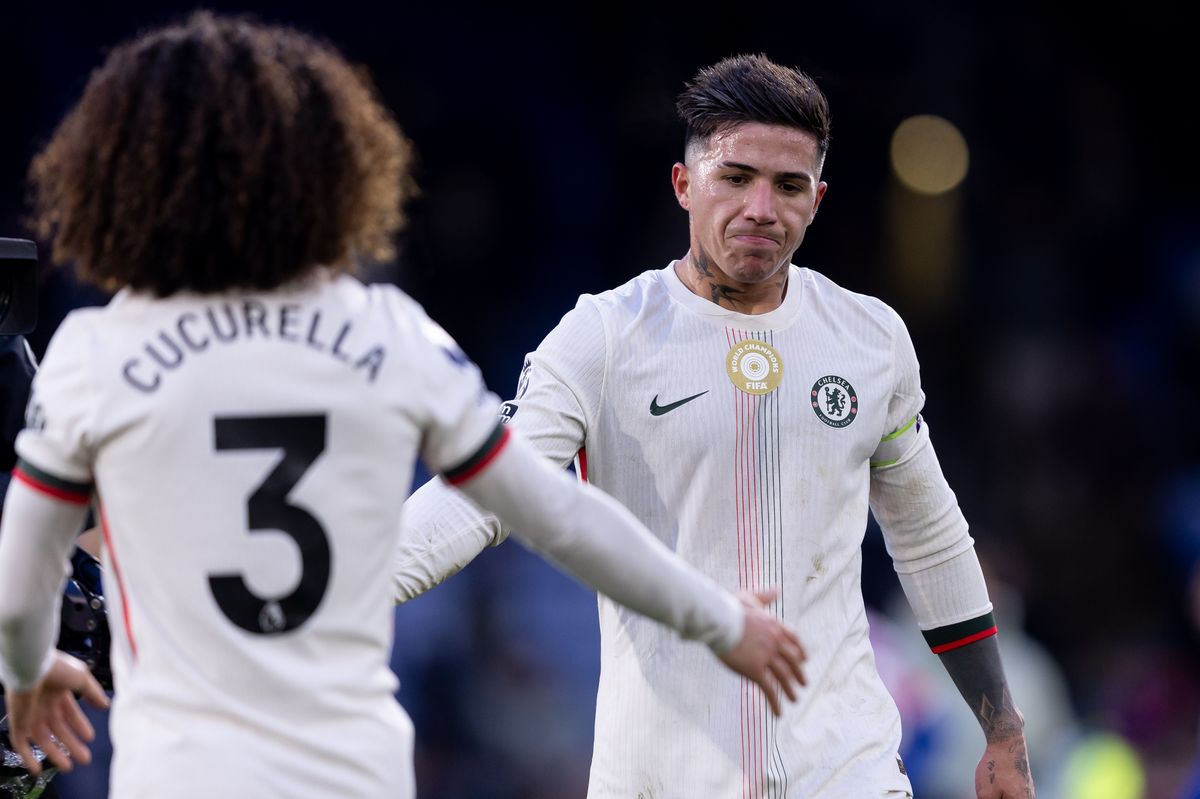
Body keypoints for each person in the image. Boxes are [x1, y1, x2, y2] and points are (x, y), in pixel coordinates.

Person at [0, 16, 809, 798]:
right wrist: (716, 617)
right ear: (334, 177)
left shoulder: (94, 354)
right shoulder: (391, 336)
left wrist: (27, 667)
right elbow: (555, 511)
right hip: (353, 774)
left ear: (126, 179)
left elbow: (24, 569)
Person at [394, 54, 1035, 798]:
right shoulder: (604, 337)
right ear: (684, 185)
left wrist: (1003, 729)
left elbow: (928, 535)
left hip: (844, 770)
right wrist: (349, 578)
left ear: (817, 200)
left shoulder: (870, 339)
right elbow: (486, 487)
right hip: (663, 776)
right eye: (736, 177)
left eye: (789, 185)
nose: (763, 206)